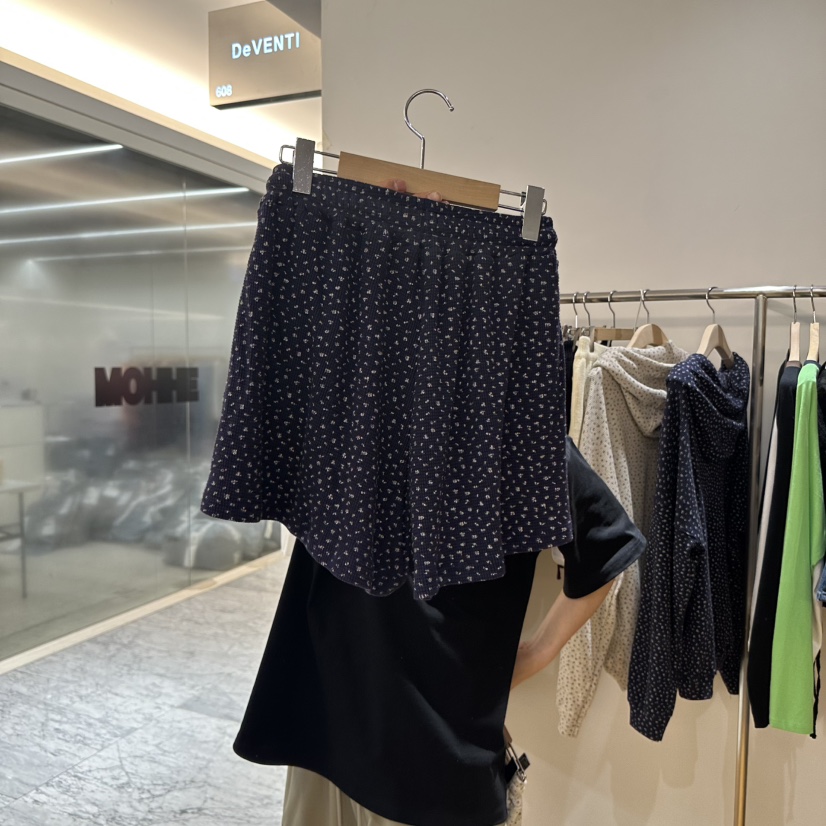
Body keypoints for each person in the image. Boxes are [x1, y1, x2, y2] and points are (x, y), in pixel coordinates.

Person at [217, 178, 645, 826]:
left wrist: (528, 657)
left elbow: (607, 546)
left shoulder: (506, 426)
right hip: (326, 722)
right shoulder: (345, 393)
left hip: (432, 756)